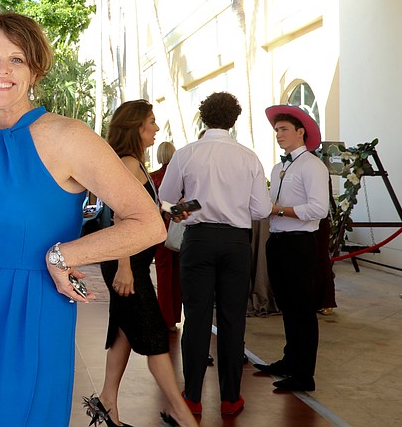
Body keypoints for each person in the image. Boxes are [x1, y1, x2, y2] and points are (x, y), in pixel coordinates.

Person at [0, 13, 166, 427]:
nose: (2, 70)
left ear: (35, 70)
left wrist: (62, 256)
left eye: (17, 59)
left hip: (31, 307)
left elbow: (149, 223)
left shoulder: (67, 136)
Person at [158, 91, 271, 417]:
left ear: (204, 117)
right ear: (233, 119)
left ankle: (192, 396)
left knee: (195, 318)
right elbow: (261, 209)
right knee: (233, 320)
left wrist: (195, 207)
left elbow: (165, 202)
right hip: (236, 243)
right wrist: (231, 205)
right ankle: (230, 398)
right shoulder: (248, 156)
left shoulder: (186, 153)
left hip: (198, 241)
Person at [91, 102, 196, 427]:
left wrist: (168, 210)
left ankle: (107, 401)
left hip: (131, 259)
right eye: (151, 122)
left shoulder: (133, 164)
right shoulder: (128, 163)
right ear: (136, 126)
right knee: (154, 338)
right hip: (128, 262)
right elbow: (118, 217)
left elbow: (138, 209)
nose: (156, 128)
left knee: (124, 330)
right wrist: (123, 266)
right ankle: (180, 412)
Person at [255, 105, 329, 392]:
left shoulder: (312, 165)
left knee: (302, 310)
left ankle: (304, 374)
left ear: (302, 132)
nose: (279, 135)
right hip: (278, 241)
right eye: (276, 130)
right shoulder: (280, 166)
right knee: (287, 306)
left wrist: (279, 210)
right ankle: (290, 360)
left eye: (284, 129)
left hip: (299, 244)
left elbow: (319, 209)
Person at [151, 141, 181, 332]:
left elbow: (156, 204)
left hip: (161, 230)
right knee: (177, 275)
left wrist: (165, 210)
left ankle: (165, 317)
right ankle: (175, 316)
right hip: (179, 229)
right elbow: (192, 203)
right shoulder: (182, 176)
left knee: (163, 274)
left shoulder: (154, 177)